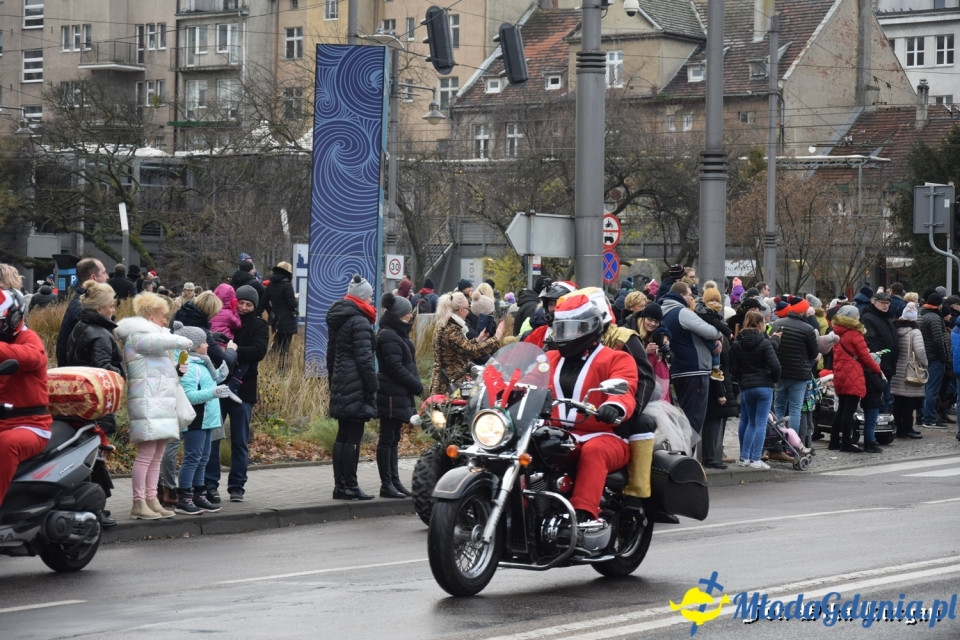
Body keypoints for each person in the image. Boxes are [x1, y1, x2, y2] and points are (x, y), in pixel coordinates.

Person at [545, 295, 638, 531]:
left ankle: (584, 515)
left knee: (594, 451)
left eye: (574, 329)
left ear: (591, 327)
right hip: (557, 432)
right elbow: (519, 381)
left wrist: (614, 406)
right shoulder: (547, 359)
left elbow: (624, 386)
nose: (567, 335)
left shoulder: (616, 358)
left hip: (604, 435)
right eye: (561, 329)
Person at [115, 292, 193, 519]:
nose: (165, 321)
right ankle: (138, 502)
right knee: (146, 454)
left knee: (156, 454)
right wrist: (183, 340)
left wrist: (177, 370)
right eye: (162, 317)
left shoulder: (149, 338)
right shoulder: (138, 336)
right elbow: (159, 341)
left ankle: (151, 499)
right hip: (149, 403)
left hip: (158, 402)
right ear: (151, 317)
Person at [326, 275, 379, 501]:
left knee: (342, 436)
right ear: (363, 297)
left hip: (341, 381)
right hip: (356, 384)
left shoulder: (340, 318)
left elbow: (330, 354)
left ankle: (341, 486)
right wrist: (372, 386)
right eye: (370, 295)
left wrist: (333, 380)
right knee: (353, 437)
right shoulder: (360, 321)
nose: (372, 298)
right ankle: (351, 485)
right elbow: (365, 360)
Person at [0, 289, 52, 507]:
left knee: (5, 444)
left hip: (30, 425)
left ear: (13, 317)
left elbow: (32, 357)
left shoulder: (28, 338)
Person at [219, 284, 268, 503]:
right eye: (242, 303)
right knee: (213, 438)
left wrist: (234, 351)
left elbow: (259, 351)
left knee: (240, 440)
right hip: (218, 385)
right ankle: (210, 484)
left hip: (244, 389)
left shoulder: (259, 325)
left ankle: (237, 485)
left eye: (249, 304)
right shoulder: (226, 320)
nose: (245, 308)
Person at [172, 324, 228, 515]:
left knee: (203, 458)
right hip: (197, 419)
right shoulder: (189, 366)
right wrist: (214, 392)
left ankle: (198, 494)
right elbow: (190, 396)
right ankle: (184, 497)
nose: (207, 345)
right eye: (203, 342)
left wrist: (219, 377)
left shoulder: (203, 363)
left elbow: (207, 385)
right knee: (192, 457)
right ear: (192, 346)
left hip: (208, 419)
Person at [375, 292, 422, 499]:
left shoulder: (396, 334)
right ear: (398, 316)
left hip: (397, 393)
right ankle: (387, 483)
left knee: (394, 438)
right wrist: (416, 385)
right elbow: (395, 367)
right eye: (407, 316)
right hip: (390, 393)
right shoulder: (388, 335)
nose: (410, 319)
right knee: (387, 438)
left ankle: (394, 480)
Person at [660, 281, 722, 436]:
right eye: (689, 294)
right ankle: (687, 455)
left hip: (677, 370)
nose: (692, 297)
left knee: (686, 417)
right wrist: (720, 334)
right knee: (693, 420)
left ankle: (684, 454)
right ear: (681, 295)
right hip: (694, 370)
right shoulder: (682, 312)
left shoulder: (662, 311)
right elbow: (711, 331)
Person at [64, 280, 124, 438]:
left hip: (81, 396)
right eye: (111, 306)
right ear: (99, 309)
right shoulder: (101, 334)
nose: (113, 310)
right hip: (97, 402)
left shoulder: (80, 325)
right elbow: (103, 369)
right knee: (98, 446)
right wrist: (121, 373)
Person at [729, 310, 780, 469]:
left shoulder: (738, 343)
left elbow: (733, 367)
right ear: (759, 324)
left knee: (750, 422)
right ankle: (756, 459)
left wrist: (742, 379)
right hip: (764, 386)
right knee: (760, 423)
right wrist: (773, 380)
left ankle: (745, 458)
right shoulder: (765, 342)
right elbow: (775, 365)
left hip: (747, 387)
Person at [829, 305, 884, 453]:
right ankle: (846, 443)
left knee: (841, 409)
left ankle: (834, 441)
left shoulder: (836, 332)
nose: (859, 317)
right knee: (849, 411)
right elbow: (865, 356)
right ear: (852, 317)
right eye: (857, 315)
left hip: (840, 373)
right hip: (853, 374)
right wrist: (878, 370)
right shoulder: (855, 334)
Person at [769, 296, 819, 453]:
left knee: (778, 408)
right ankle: (793, 446)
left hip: (780, 372)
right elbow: (813, 353)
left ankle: (777, 443)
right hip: (799, 375)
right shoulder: (808, 329)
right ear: (803, 310)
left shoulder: (777, 324)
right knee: (795, 410)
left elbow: (773, 347)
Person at [429, 291, 503, 396]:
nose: (469, 311)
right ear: (461, 310)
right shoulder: (452, 329)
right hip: (448, 386)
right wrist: (495, 339)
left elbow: (461, 346)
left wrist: (478, 340)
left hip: (446, 381)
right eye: (468, 308)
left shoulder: (446, 325)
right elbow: (470, 351)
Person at [860, 290, 900, 451]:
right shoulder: (869, 318)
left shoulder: (887, 318)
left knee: (886, 399)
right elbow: (870, 341)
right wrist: (877, 359)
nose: (886, 306)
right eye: (883, 303)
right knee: (879, 401)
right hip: (878, 365)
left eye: (887, 303)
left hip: (888, 364)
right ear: (874, 302)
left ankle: (883, 432)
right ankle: (874, 435)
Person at [55, 257, 108, 365]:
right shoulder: (83, 310)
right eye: (104, 272)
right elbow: (85, 354)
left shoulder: (82, 302)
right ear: (93, 278)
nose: (107, 277)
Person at [891, 302, 925, 440]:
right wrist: (925, 364)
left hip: (897, 370)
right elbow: (920, 351)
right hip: (910, 370)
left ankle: (898, 427)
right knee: (910, 402)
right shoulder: (915, 332)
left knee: (898, 401)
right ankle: (907, 429)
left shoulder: (895, 330)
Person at [917, 291, 949, 428]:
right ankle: (929, 418)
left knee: (924, 388)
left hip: (924, 356)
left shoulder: (921, 315)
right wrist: (944, 357)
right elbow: (938, 340)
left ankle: (921, 416)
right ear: (939, 304)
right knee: (932, 389)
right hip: (935, 358)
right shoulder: (935, 318)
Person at [636, 303, 672, 403]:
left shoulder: (658, 335)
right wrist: (645, 352)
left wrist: (666, 349)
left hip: (661, 384)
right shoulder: (634, 334)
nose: (652, 324)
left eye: (656, 321)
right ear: (643, 318)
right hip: (644, 385)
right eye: (650, 319)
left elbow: (671, 357)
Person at [263, 261, 298, 363]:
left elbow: (264, 301)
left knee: (276, 344)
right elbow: (292, 304)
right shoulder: (287, 285)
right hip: (287, 320)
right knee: (285, 348)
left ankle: (269, 364)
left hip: (275, 319)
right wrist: (296, 299)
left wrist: (271, 311)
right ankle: (282, 370)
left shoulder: (270, 285)